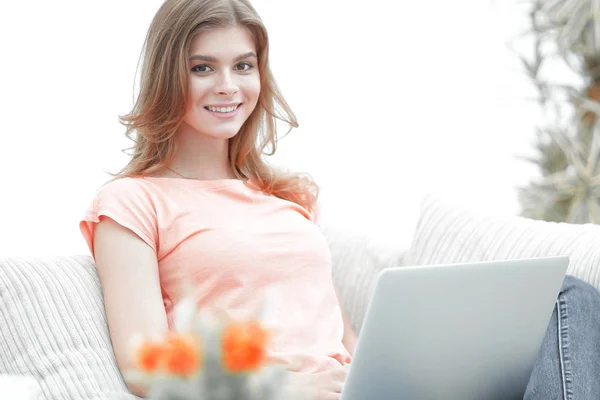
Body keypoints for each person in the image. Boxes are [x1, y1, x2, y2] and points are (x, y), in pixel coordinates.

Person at [79, 0, 600, 399]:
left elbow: (339, 332)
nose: (228, 86)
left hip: (356, 389)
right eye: (202, 68)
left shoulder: (287, 195)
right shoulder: (131, 202)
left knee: (568, 295)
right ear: (167, 75)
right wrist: (286, 386)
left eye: (243, 65)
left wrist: (388, 371)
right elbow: (145, 363)